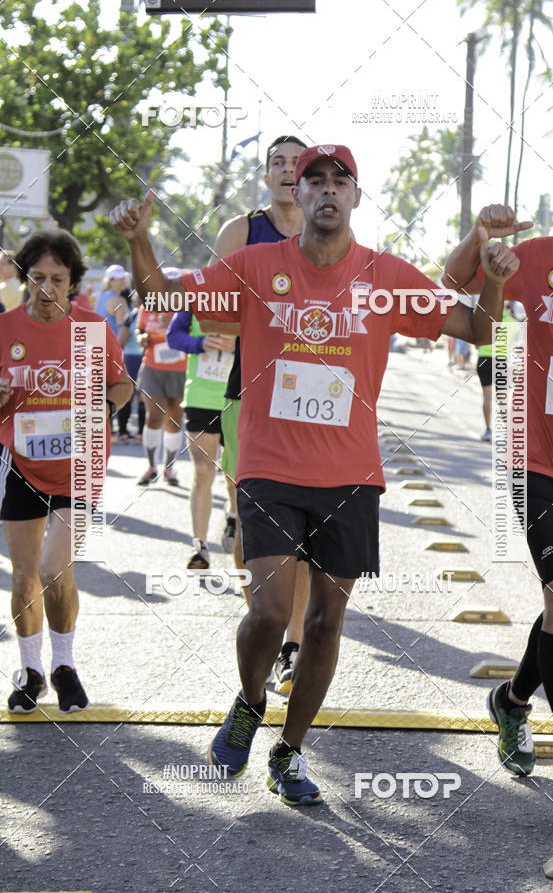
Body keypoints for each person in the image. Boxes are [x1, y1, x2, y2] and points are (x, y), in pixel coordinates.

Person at [110, 143, 515, 806]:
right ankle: (249, 701)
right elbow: (160, 296)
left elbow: (479, 328)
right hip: (269, 464)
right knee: (269, 612)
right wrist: (140, 238)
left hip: (350, 473)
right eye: (314, 181)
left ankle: (289, 752)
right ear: (295, 197)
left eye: (340, 180)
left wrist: (493, 275)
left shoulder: (384, 275)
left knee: (326, 624)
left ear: (357, 196)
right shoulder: (254, 266)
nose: (327, 190)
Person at [443, 144, 553, 818]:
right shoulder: (539, 258)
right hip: (538, 459)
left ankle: (510, 702)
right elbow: (456, 283)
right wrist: (481, 238)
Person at [0, 230, 132, 713]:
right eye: (38, 278)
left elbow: (122, 386)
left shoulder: (94, 329)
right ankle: (31, 671)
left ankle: (64, 665)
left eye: (58, 278)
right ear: (25, 278)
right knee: (22, 580)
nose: (47, 288)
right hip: (20, 466)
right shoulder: (5, 329)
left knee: (54, 570)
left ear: (74, 281)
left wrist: (103, 410)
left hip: (79, 467)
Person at [210, 134, 311, 693]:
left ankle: (293, 644)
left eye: (298, 163)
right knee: (251, 532)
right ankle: (267, 628)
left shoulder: (330, 230)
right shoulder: (242, 232)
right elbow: (213, 318)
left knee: (302, 532)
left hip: (314, 399)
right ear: (266, 175)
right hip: (248, 397)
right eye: (277, 163)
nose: (288, 171)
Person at [166, 313, 237, 569]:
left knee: (234, 473)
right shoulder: (196, 298)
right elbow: (173, 337)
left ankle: (233, 514)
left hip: (237, 398)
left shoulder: (249, 295)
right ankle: (201, 547)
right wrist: (200, 343)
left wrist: (237, 345)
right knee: (203, 470)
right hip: (200, 398)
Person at [136, 288, 187, 486]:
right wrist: (141, 336)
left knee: (174, 421)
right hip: (152, 368)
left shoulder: (185, 308)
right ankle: (151, 467)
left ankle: (169, 468)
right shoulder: (147, 306)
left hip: (180, 369)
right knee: (155, 416)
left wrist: (173, 325)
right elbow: (139, 328)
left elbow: (198, 332)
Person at [476, 302, 518, 442]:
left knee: (487, 397)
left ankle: (488, 430)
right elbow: (516, 346)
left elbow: (476, 343)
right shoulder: (513, 323)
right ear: (506, 308)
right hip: (501, 360)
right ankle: (507, 432)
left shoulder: (484, 320)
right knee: (502, 399)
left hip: (484, 360)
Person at [117, 292, 145, 443]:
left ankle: (124, 433)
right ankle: (139, 434)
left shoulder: (131, 316)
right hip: (142, 359)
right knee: (142, 397)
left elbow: (121, 340)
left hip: (132, 359)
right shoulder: (151, 315)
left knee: (129, 396)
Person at [96, 264, 129, 336]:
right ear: (110, 281)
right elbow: (122, 330)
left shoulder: (100, 296)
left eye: (123, 277)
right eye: (119, 278)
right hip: (114, 344)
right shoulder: (119, 300)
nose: (123, 280)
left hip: (100, 343)